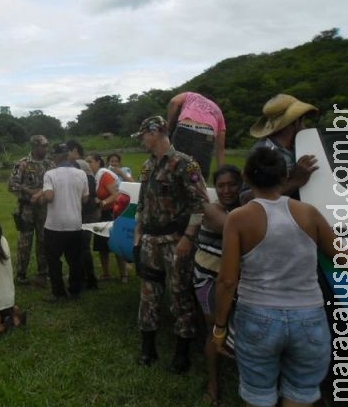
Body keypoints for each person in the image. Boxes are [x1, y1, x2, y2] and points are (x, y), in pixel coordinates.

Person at [214, 147, 348, 407]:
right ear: (284, 175)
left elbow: (228, 281)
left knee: (258, 394)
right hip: (309, 318)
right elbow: (345, 259)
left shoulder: (238, 218)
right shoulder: (308, 213)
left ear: (246, 177)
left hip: (257, 317)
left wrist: (220, 328)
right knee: (301, 393)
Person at [132, 115, 209, 373]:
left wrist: (188, 237)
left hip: (176, 241)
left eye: (143, 135)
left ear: (155, 132)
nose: (142, 140)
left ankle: (182, 352)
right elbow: (142, 204)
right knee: (148, 294)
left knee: (180, 295)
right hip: (150, 241)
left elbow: (200, 205)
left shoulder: (184, 164)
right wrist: (138, 234)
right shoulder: (147, 166)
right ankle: (148, 348)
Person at [193, 165, 242, 406]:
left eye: (232, 184)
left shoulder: (245, 208)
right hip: (208, 279)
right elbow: (234, 227)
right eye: (221, 185)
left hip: (234, 282)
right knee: (213, 329)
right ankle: (213, 384)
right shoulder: (213, 210)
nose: (226, 190)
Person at [32, 143, 89, 301]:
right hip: (75, 224)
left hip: (55, 225)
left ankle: (59, 293)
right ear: (68, 155)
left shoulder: (50, 174)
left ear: (56, 156)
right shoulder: (81, 174)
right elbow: (85, 198)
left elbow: (49, 197)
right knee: (74, 259)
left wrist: (40, 198)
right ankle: (75, 290)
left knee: (54, 260)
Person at [248, 93, 319, 200]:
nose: (305, 127)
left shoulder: (296, 148)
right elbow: (247, 197)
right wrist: (295, 181)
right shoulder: (262, 152)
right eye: (303, 122)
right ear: (295, 122)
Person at [8, 135, 55, 285]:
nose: (46, 148)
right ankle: (21, 274)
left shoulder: (50, 163)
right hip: (27, 208)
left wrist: (42, 194)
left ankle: (43, 272)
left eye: (46, 145)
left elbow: (55, 183)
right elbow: (12, 185)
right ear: (35, 146)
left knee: (44, 240)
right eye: (43, 146)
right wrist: (31, 193)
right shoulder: (22, 164)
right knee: (25, 241)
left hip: (45, 208)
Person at [85, 153, 128, 283]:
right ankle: (106, 273)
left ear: (99, 162)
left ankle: (124, 274)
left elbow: (116, 194)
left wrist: (102, 203)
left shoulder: (105, 175)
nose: (88, 164)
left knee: (116, 243)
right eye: (87, 162)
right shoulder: (93, 177)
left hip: (112, 212)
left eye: (90, 161)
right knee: (101, 245)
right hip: (101, 214)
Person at [167, 91, 226, 180]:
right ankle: (198, 188)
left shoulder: (192, 95)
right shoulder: (218, 110)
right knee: (199, 176)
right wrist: (223, 174)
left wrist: (170, 126)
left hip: (185, 128)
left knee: (174, 168)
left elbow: (173, 102)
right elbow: (220, 149)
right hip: (207, 134)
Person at [66, 139, 99, 289]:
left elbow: (90, 189)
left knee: (83, 246)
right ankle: (83, 277)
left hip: (87, 212)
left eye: (67, 151)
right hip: (83, 211)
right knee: (80, 246)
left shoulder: (80, 164)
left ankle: (90, 279)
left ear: (74, 150)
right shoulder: (78, 165)